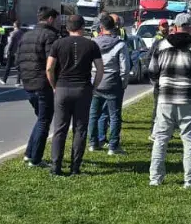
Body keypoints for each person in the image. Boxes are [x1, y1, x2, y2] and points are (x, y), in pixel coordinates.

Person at [148, 13, 191, 188]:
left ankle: (155, 178)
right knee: (190, 140)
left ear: (174, 27)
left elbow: (152, 72)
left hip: (165, 100)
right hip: (189, 100)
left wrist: (160, 88)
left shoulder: (161, 45)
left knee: (160, 139)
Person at [46, 14, 103, 176]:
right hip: (82, 89)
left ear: (67, 28)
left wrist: (54, 85)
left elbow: (49, 68)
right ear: (83, 27)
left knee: (60, 129)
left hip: (63, 88)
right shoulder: (91, 45)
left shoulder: (58, 44)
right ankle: (75, 167)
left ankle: (56, 167)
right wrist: (94, 87)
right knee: (80, 129)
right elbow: (100, 69)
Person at [18, 7, 61, 166]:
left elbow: (18, 60)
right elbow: (53, 62)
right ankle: (35, 159)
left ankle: (29, 153)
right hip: (43, 83)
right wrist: (55, 83)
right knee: (44, 120)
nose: (57, 23)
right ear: (50, 19)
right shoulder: (50, 35)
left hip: (28, 82)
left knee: (41, 119)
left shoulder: (26, 35)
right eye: (56, 20)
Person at [88, 14, 131, 155]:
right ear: (115, 27)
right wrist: (124, 83)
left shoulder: (93, 42)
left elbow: (89, 64)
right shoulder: (120, 44)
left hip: (96, 82)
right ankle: (113, 146)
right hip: (113, 83)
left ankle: (93, 143)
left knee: (93, 114)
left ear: (101, 27)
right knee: (114, 116)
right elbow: (125, 68)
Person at [0, 18, 26, 84]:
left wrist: (7, 51)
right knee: (19, 67)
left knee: (8, 66)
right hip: (19, 52)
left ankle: (4, 80)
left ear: (14, 26)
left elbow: (10, 43)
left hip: (12, 52)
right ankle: (18, 82)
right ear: (19, 26)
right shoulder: (23, 34)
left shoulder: (12, 33)